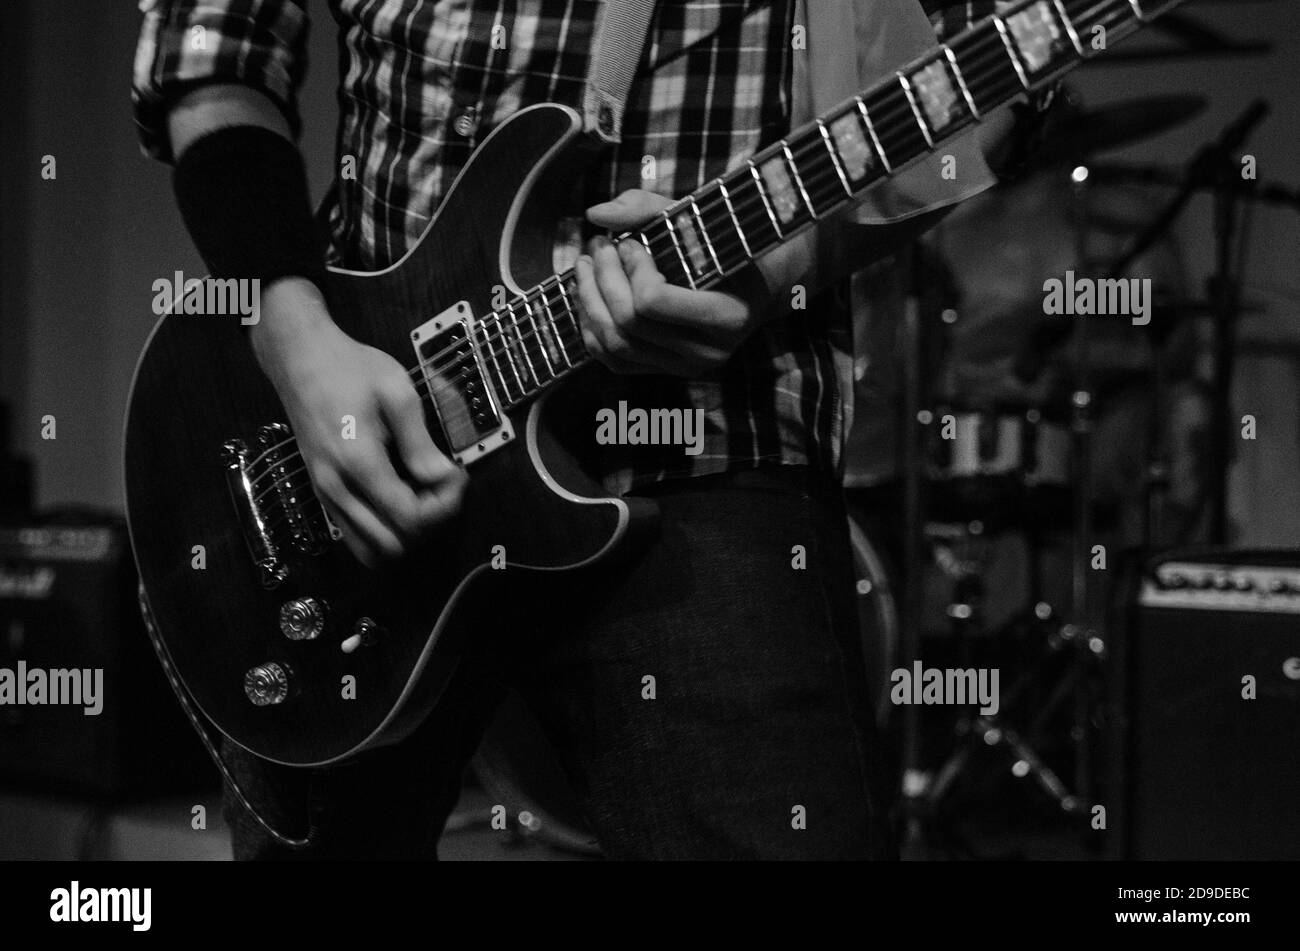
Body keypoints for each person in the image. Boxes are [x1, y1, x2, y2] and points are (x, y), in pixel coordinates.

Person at [132, 0, 1022, 859]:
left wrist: (781, 266)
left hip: (711, 436)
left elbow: (977, 87)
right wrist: (291, 331)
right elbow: (215, 44)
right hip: (358, 420)